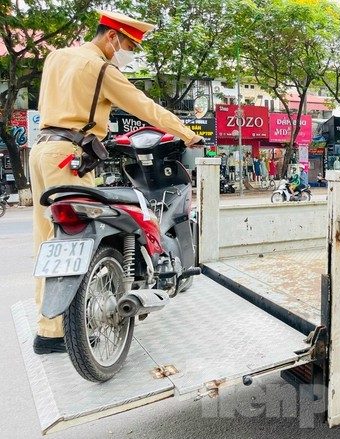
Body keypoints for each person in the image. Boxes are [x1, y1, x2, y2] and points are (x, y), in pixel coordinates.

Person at [30, 10, 203, 355]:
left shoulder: (56, 57)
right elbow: (145, 107)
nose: (128, 54)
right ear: (111, 37)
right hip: (71, 157)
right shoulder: (102, 69)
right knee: (78, 241)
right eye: (127, 45)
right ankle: (69, 329)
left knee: (48, 241)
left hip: (41, 152)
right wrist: (188, 134)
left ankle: (49, 329)